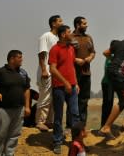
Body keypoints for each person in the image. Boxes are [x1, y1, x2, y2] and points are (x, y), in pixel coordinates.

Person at [0, 50, 31, 156]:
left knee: (14, 135)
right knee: (0, 136)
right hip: (3, 110)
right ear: (12, 59)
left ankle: (9, 154)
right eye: (19, 57)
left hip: (19, 110)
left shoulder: (23, 73)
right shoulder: (0, 72)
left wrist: (27, 107)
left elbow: (27, 89)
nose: (22, 59)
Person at [49, 25, 80, 154]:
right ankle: (57, 141)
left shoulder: (71, 48)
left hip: (72, 86)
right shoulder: (54, 49)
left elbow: (71, 67)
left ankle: (77, 142)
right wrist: (65, 82)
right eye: (68, 32)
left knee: (75, 114)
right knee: (58, 116)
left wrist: (75, 83)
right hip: (59, 88)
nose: (71, 34)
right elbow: (53, 69)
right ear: (62, 35)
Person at [36, 15, 62, 131]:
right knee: (45, 96)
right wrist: (44, 70)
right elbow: (42, 54)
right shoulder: (46, 36)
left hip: (54, 72)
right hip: (46, 71)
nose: (62, 23)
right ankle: (40, 121)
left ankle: (49, 121)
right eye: (60, 21)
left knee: (53, 97)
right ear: (53, 23)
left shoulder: (57, 38)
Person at [71, 17, 95, 124]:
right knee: (72, 100)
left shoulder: (89, 37)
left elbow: (93, 52)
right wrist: (75, 59)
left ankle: (82, 126)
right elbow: (65, 54)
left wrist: (90, 57)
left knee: (84, 100)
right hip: (73, 74)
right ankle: (70, 125)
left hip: (86, 73)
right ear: (77, 25)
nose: (87, 25)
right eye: (84, 23)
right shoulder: (70, 37)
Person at [99, 55, 113, 130]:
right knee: (107, 105)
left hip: (108, 83)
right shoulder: (112, 57)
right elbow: (109, 70)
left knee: (108, 105)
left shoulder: (110, 57)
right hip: (108, 83)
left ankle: (105, 124)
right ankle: (104, 125)